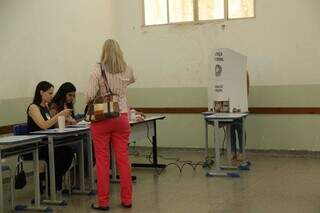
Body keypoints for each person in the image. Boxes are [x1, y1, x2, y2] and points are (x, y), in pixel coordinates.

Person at [86, 39, 135, 211]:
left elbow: (89, 96)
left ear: (104, 52)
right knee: (123, 159)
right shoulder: (127, 69)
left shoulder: (97, 69)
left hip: (102, 119)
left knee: (102, 161)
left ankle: (103, 202)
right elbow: (131, 81)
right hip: (122, 117)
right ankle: (127, 199)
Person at [26, 81, 75, 194]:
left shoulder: (46, 107)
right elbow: (43, 125)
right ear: (41, 93)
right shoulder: (33, 107)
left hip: (48, 142)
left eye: (52, 93)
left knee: (68, 152)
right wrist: (60, 114)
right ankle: (51, 185)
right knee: (62, 154)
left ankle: (52, 184)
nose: (52, 96)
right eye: (49, 93)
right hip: (37, 145)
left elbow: (51, 125)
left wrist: (66, 121)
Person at [230, 71, 250, 163]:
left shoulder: (243, 71)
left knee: (240, 130)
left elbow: (247, 89)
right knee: (231, 130)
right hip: (229, 108)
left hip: (240, 107)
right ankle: (233, 152)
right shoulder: (229, 72)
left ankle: (241, 152)